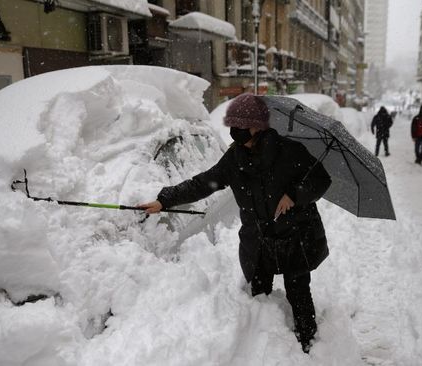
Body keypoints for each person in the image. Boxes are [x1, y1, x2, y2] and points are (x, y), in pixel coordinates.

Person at [138, 94, 331, 353]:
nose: (235, 132)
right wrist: (166, 200)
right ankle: (263, 349)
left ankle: (309, 346)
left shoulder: (290, 151)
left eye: (241, 126)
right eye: (232, 126)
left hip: (294, 235)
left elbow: (321, 179)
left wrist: (295, 195)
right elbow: (203, 183)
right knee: (259, 294)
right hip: (259, 240)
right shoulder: (235, 159)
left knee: (298, 291)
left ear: (258, 126)